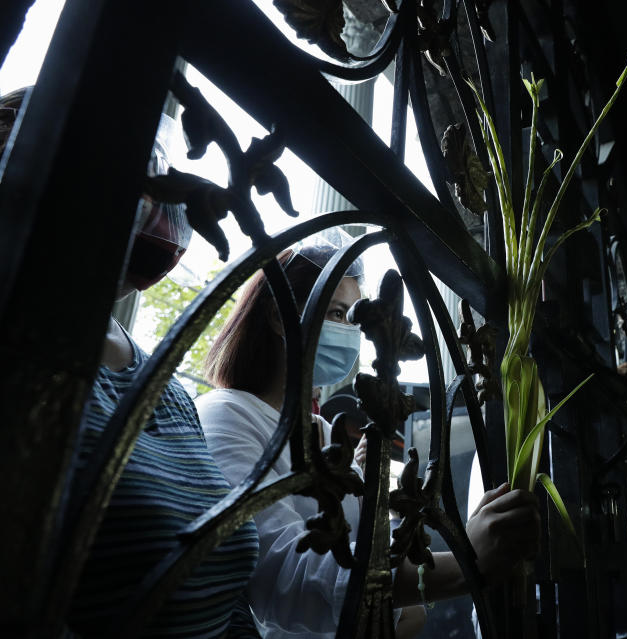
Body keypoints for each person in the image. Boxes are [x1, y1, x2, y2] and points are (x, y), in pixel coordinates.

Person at [1, 89, 261, 636]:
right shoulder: (20, 355)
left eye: (159, 176)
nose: (163, 201)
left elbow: (227, 589)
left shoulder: (161, 383)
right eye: (139, 177)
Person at [197, 238, 541, 638]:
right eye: (338, 314)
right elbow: (280, 574)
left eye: (353, 319)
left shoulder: (322, 431)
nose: (350, 333)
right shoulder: (224, 414)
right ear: (279, 316)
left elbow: (366, 556)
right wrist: (468, 563)